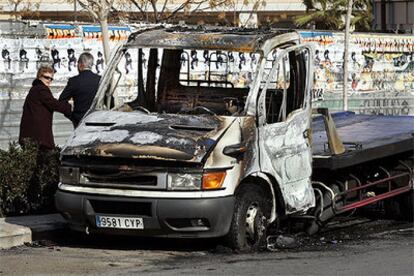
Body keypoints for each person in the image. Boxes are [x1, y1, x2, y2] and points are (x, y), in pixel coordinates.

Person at [19, 65, 71, 151]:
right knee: (47, 158)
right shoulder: (41, 89)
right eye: (47, 77)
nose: (49, 81)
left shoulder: (35, 89)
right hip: (38, 137)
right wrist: (69, 108)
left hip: (32, 135)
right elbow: (53, 103)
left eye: (51, 79)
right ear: (39, 77)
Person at [59, 52, 101, 127]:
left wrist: (71, 115)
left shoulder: (74, 81)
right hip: (98, 120)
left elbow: (62, 100)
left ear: (80, 64)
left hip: (79, 121)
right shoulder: (100, 80)